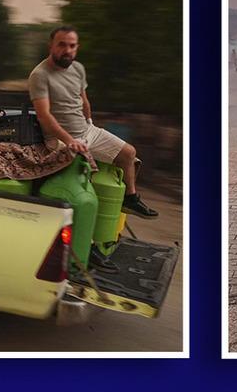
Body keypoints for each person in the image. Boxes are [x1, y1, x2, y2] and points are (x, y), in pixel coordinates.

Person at [29, 27, 159, 269]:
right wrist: (69, 140)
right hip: (60, 140)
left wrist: (89, 121)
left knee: (128, 153)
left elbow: (83, 100)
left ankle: (130, 199)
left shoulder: (77, 69)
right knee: (84, 192)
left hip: (87, 131)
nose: (67, 50)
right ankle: (87, 248)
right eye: (61, 44)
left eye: (72, 45)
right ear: (51, 46)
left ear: (76, 48)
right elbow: (44, 116)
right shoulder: (40, 75)